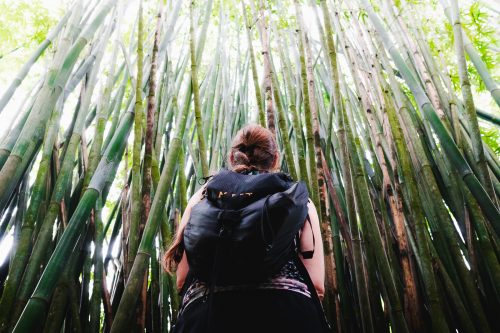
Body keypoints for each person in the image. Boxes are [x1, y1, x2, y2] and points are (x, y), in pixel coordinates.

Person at [163, 123, 328, 333]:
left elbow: (182, 279)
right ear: (275, 159)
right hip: (287, 314)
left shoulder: (203, 196)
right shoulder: (295, 197)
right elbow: (317, 285)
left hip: (207, 317)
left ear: (232, 158)